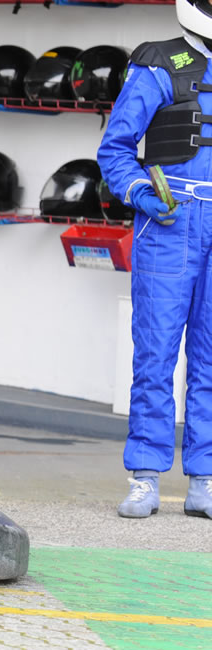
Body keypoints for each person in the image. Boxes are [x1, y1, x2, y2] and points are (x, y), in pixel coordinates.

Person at [96, 0, 212, 520]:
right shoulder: (159, 64)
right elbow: (115, 150)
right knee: (156, 356)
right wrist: (144, 193)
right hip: (171, 220)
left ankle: (205, 480)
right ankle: (144, 476)